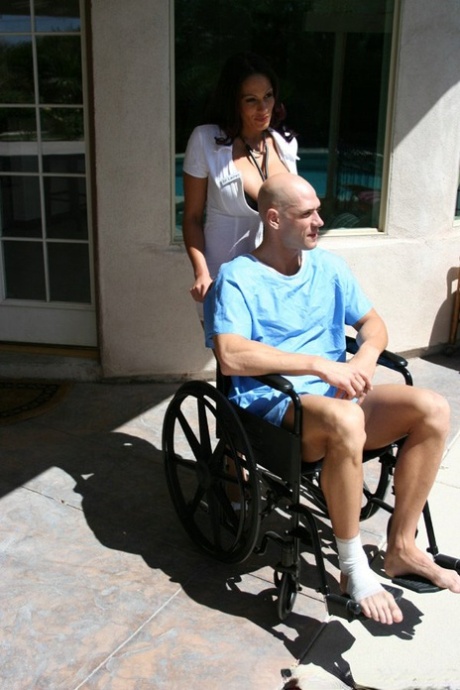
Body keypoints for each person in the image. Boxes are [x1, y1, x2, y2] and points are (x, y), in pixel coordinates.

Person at [204, 172, 460, 625]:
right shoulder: (238, 278)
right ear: (273, 218)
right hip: (277, 411)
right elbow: (230, 355)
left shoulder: (329, 268)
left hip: (339, 401)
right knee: (345, 420)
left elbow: (373, 324)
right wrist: (320, 365)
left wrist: (363, 359)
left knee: (433, 408)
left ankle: (401, 547)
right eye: (308, 214)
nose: (319, 221)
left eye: (318, 210)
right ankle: (353, 566)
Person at [182, 52, 298, 309]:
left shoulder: (285, 144)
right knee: (231, 351)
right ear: (233, 102)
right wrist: (201, 273)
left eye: (268, 96)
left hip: (277, 280)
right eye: (251, 100)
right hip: (222, 280)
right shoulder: (205, 141)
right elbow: (191, 218)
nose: (263, 108)